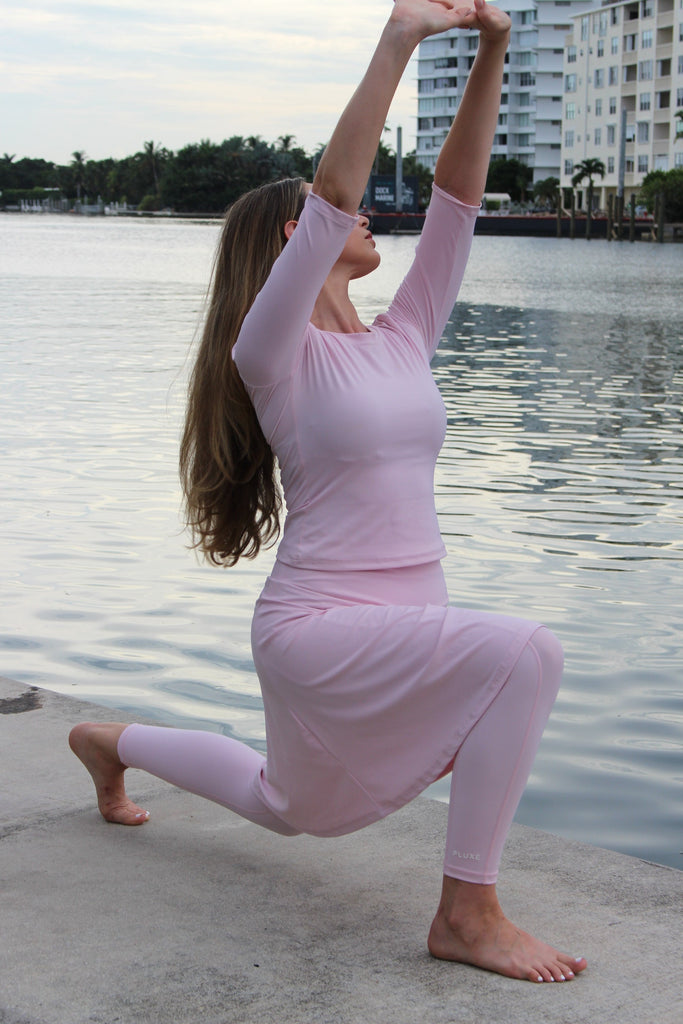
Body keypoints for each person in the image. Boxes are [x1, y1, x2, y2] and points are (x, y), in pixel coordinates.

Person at [69, 0, 587, 984]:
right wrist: (397, 40)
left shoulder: (403, 338)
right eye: (325, 211)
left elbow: (457, 199)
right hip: (317, 626)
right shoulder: (271, 353)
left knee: (286, 804)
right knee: (525, 651)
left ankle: (107, 741)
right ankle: (465, 914)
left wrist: (494, 48)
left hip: (403, 612)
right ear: (298, 237)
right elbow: (339, 189)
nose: (357, 213)